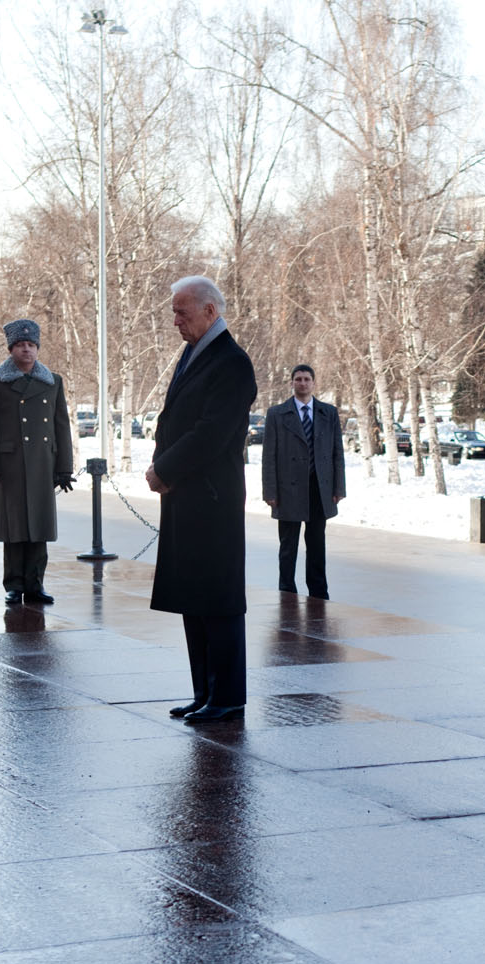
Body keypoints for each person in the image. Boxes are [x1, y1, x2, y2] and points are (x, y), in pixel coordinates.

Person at [147, 275, 256, 724]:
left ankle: (227, 695)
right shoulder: (194, 353)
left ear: (211, 312)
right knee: (195, 598)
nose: (175, 321)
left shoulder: (231, 362)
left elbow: (210, 433)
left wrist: (165, 468)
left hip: (212, 501)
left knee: (219, 600)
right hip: (186, 497)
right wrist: (160, 464)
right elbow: (174, 418)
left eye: (182, 312)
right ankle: (204, 691)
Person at [0, 319, 74, 605]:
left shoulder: (52, 381)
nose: (27, 350)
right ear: (11, 349)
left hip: (43, 462)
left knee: (39, 527)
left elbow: (61, 425)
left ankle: (35, 584)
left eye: (31, 345)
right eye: (20, 345)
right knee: (15, 527)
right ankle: (14, 584)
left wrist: (64, 467)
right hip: (11, 464)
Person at [261, 364, 345, 599]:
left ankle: (318, 593)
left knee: (317, 545)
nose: (303, 383)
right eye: (298, 379)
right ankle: (287, 591)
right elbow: (269, 456)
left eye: (307, 379)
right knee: (288, 547)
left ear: (314, 383)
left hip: (320, 488)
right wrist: (270, 491)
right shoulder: (277, 414)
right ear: (292, 383)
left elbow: (338, 453)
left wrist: (339, 488)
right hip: (288, 490)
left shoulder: (328, 413)